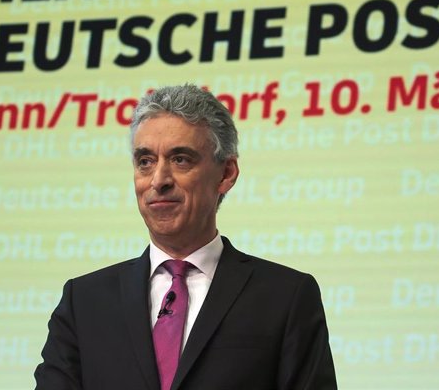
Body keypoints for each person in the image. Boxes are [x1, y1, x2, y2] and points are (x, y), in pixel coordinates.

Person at [34, 84, 337, 390]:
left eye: (180, 160)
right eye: (145, 161)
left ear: (226, 173)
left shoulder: (286, 297)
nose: (159, 180)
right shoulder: (84, 301)